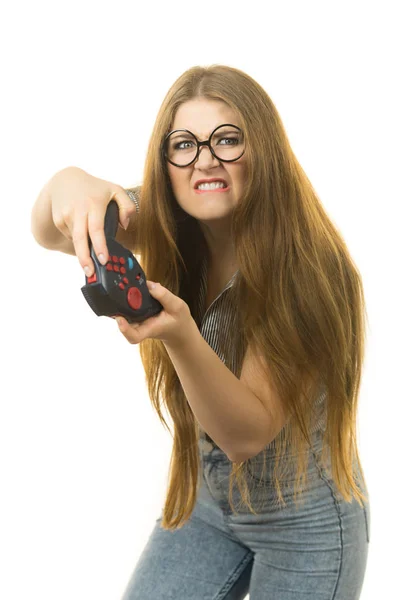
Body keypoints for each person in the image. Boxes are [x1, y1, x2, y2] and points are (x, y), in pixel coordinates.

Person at [31, 64, 370, 599]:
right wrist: (73, 183)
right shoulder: (168, 219)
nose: (205, 159)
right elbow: (47, 231)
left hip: (306, 523)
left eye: (228, 140)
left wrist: (181, 336)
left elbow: (247, 435)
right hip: (208, 505)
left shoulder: (308, 268)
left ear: (266, 151)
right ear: (166, 163)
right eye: (184, 145)